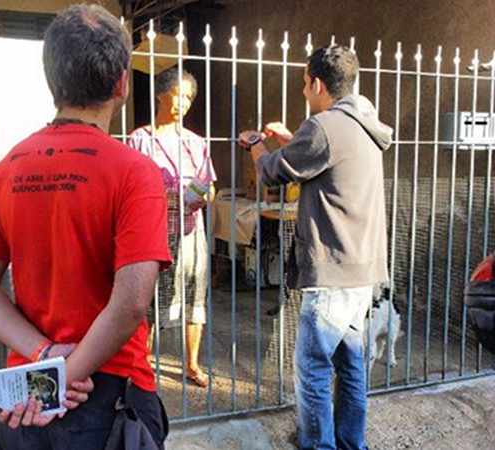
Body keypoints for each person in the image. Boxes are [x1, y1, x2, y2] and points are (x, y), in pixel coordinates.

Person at [0, 4, 171, 449]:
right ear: (122, 84)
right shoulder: (135, 172)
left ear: (52, 81)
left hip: (28, 394)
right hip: (110, 394)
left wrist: (46, 359)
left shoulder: (5, 171)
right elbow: (131, 302)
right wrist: (66, 376)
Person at [239, 45, 392, 450]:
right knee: (351, 366)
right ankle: (350, 443)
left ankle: (319, 445)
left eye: (305, 83)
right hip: (362, 270)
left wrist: (255, 144)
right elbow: (326, 160)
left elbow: (272, 172)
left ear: (318, 84)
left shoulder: (323, 126)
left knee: (312, 369)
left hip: (332, 270)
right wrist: (293, 140)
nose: (304, 91)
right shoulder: (362, 122)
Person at [128, 68, 216, 388]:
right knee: (150, 300)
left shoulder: (196, 142)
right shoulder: (140, 139)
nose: (184, 103)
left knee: (194, 297)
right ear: (160, 94)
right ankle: (142, 363)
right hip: (154, 233)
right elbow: (130, 188)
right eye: (179, 95)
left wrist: (203, 194)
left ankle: (192, 364)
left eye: (190, 98)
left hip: (192, 231)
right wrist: (164, 196)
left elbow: (210, 185)